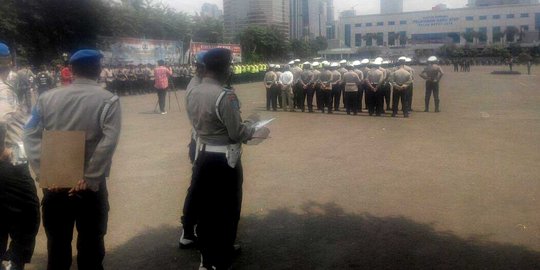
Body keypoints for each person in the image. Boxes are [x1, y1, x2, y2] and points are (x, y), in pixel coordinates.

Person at [24, 49, 121, 270]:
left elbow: (29, 133)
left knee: (57, 247)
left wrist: (44, 172)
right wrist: (91, 176)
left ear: (72, 70)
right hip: (90, 187)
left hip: (56, 185)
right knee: (91, 247)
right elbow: (109, 141)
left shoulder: (46, 98)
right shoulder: (108, 100)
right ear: (98, 70)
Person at [185, 48, 268, 270]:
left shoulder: (192, 90)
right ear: (225, 68)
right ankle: (220, 255)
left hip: (202, 155)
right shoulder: (225, 95)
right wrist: (253, 127)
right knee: (227, 208)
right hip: (224, 161)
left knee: (206, 209)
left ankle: (206, 258)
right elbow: (236, 133)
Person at [0, 42, 40, 270]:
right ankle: (12, 262)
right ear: (8, 62)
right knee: (28, 214)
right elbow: (0, 122)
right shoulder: (3, 88)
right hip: (10, 162)